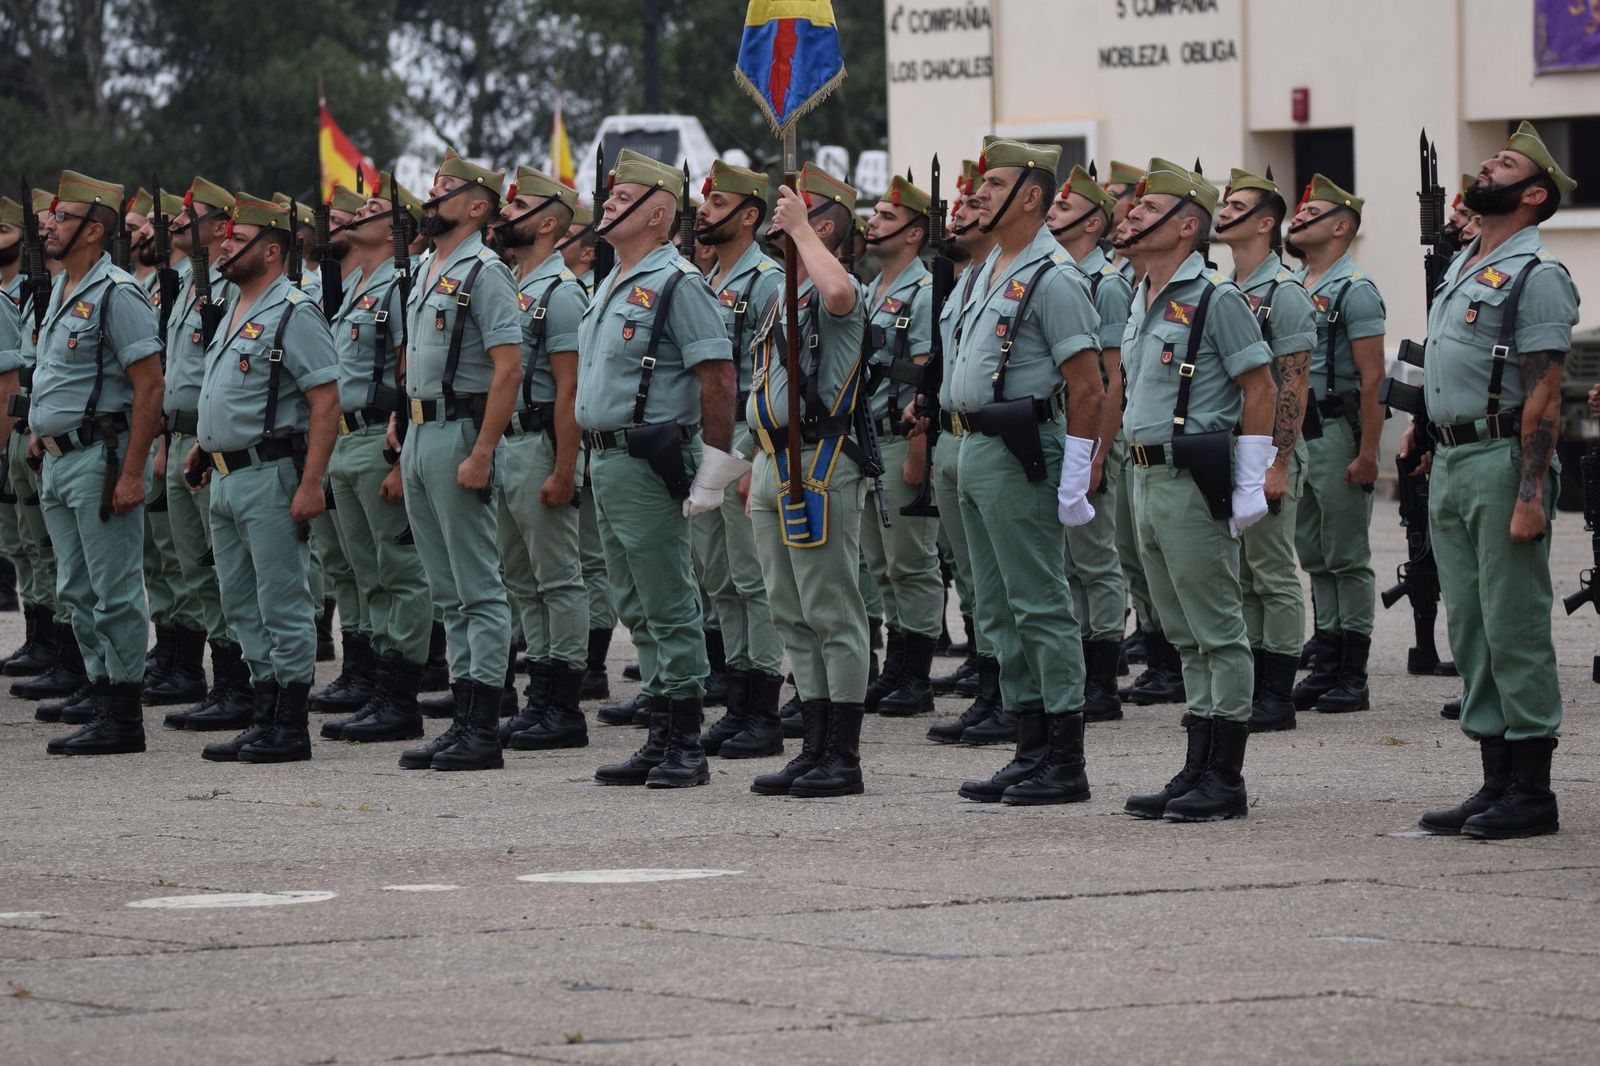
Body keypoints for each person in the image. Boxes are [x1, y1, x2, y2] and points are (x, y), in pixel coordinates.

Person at [1412, 122, 1579, 839]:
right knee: (1471, 627)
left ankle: (1533, 792)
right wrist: (1424, 430)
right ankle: (1494, 779)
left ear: (1533, 192)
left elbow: (1545, 394)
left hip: (1503, 461)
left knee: (1513, 625)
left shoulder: (1538, 276)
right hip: (1452, 459)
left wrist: (1532, 495)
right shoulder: (1463, 264)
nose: (1486, 163)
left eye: (1504, 161)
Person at [1115, 158, 1277, 822]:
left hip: (1190, 476)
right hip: (1143, 474)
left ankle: (1225, 777)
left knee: (1216, 628)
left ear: (1186, 227)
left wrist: (1250, 483)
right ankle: (1196, 763)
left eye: (1147, 211)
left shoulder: (1216, 298)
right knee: (1181, 632)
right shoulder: (1141, 294)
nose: (1130, 216)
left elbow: (1260, 388)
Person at [944, 139, 1105, 807]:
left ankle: (1065, 758)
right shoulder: (986, 270)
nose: (978, 194)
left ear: (1032, 197)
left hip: (1020, 449)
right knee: (999, 609)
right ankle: (1028, 744)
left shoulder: (1054, 275)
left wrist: (1076, 472)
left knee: (1039, 603)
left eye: (996, 184)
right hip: (974, 449)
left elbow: (1088, 386)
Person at [577, 149, 742, 789]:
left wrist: (714, 468)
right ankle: (659, 732)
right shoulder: (615, 279)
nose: (610, 204)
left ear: (659, 213)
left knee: (670, 601)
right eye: (610, 196)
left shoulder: (676, 282)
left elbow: (718, 374)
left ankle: (686, 744)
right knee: (635, 601)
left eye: (624, 199)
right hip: (608, 458)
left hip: (650, 459)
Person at [184, 193, 339, 763]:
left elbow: (325, 402)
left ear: (271, 250)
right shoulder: (235, 306)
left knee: (283, 601)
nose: (223, 244)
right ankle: (262, 712)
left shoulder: (294, 311)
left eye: (238, 236)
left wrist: (311, 483)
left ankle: (290, 725)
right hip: (226, 477)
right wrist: (204, 446)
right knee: (241, 603)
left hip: (271, 476)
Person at [393, 149, 524, 773]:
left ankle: (482, 727)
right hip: (421, 433)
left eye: (446, 188)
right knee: (448, 591)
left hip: (459, 434)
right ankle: (464, 720)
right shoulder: (427, 267)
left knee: (478, 586)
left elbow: (508, 370)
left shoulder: (485, 272)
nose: (432, 194)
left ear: (477, 207)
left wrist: (483, 451)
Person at [744, 162, 870, 798]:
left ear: (821, 225)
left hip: (819, 465)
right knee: (790, 612)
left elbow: (842, 297)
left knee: (830, 610)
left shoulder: (832, 284)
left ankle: (841, 755)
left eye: (792, 210)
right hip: (774, 460)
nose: (776, 215)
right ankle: (812, 744)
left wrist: (802, 236)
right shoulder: (782, 294)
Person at [31, 171, 164, 756]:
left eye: (63, 219)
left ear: (94, 231)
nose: (50, 226)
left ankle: (123, 714)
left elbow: (149, 388)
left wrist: (133, 472)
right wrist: (40, 432)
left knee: (114, 593)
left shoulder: (116, 293)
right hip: (60, 460)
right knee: (75, 589)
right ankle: (100, 689)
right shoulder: (63, 288)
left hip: (100, 460)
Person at [318, 174, 438, 745]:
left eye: (371, 209)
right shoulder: (362, 287)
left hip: (377, 440)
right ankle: (374, 684)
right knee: (366, 575)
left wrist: (401, 457)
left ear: (398, 228)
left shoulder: (397, 284)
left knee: (397, 573)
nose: (355, 213)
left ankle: (399, 696)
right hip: (345, 442)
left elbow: (406, 372)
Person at [488, 165, 593, 752]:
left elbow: (570, 389)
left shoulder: (561, 293)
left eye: (518, 206)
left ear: (549, 222)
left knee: (558, 578)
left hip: (540, 445)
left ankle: (564, 704)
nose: (505, 214)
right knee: (522, 581)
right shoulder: (514, 285)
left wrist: (564, 468)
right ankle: (540, 697)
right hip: (509, 445)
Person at [1213, 168, 1316, 732]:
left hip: (1267, 451)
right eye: (1224, 204)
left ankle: (1277, 693)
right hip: (1226, 445)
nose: (1224, 211)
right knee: (1242, 571)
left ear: (1266, 222)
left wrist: (1278, 462)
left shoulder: (1285, 293)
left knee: (1272, 571)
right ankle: (1251, 685)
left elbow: (1293, 383)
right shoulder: (1225, 289)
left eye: (1238, 206)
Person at [692, 159, 788, 758]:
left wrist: (751, 454)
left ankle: (764, 710)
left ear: (749, 215)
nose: (703, 209)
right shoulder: (708, 281)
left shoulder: (766, 282)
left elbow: (769, 376)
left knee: (755, 584)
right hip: (708, 450)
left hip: (743, 450)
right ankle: (738, 698)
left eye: (717, 201)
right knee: (722, 582)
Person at [1287, 174, 1386, 715]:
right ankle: (1326, 660)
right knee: (1315, 554)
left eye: (1314, 213)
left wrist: (1369, 452)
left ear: (1342, 226)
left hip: (1336, 430)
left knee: (1347, 556)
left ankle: (1352, 671)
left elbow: (1373, 379)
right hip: (1301, 434)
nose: (1299, 218)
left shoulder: (1354, 289)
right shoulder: (1299, 283)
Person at [160, 177, 254, 732]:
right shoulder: (190, 290)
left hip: (215, 444)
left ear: (220, 227)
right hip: (183, 442)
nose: (176, 227)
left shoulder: (229, 294)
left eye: (188, 220)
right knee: (196, 569)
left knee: (227, 572)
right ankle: (223, 679)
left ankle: (241, 684)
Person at [923, 160, 1011, 745]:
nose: (964, 209)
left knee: (1009, 584)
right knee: (977, 580)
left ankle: (1015, 700)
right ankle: (991, 686)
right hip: (956, 438)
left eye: (982, 200)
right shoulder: (972, 278)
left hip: (1000, 441)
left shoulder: (1030, 276)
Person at [1047, 164, 1133, 723]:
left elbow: (1112, 379)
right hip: (1061, 433)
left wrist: (1097, 455)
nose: (1051, 211)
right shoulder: (1055, 274)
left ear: (1093, 222)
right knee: (1068, 561)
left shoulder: (1107, 283)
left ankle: (1103, 678)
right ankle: (1079, 668)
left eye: (1063, 205)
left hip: (1095, 436)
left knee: (1096, 560)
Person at [860, 174, 943, 719]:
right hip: (869, 443)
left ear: (915, 233)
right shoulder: (872, 290)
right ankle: (895, 666)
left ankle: (915, 673)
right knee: (882, 564)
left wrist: (919, 454)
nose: (873, 223)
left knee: (911, 562)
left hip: (901, 439)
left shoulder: (925, 291)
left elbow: (924, 379)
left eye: (887, 218)